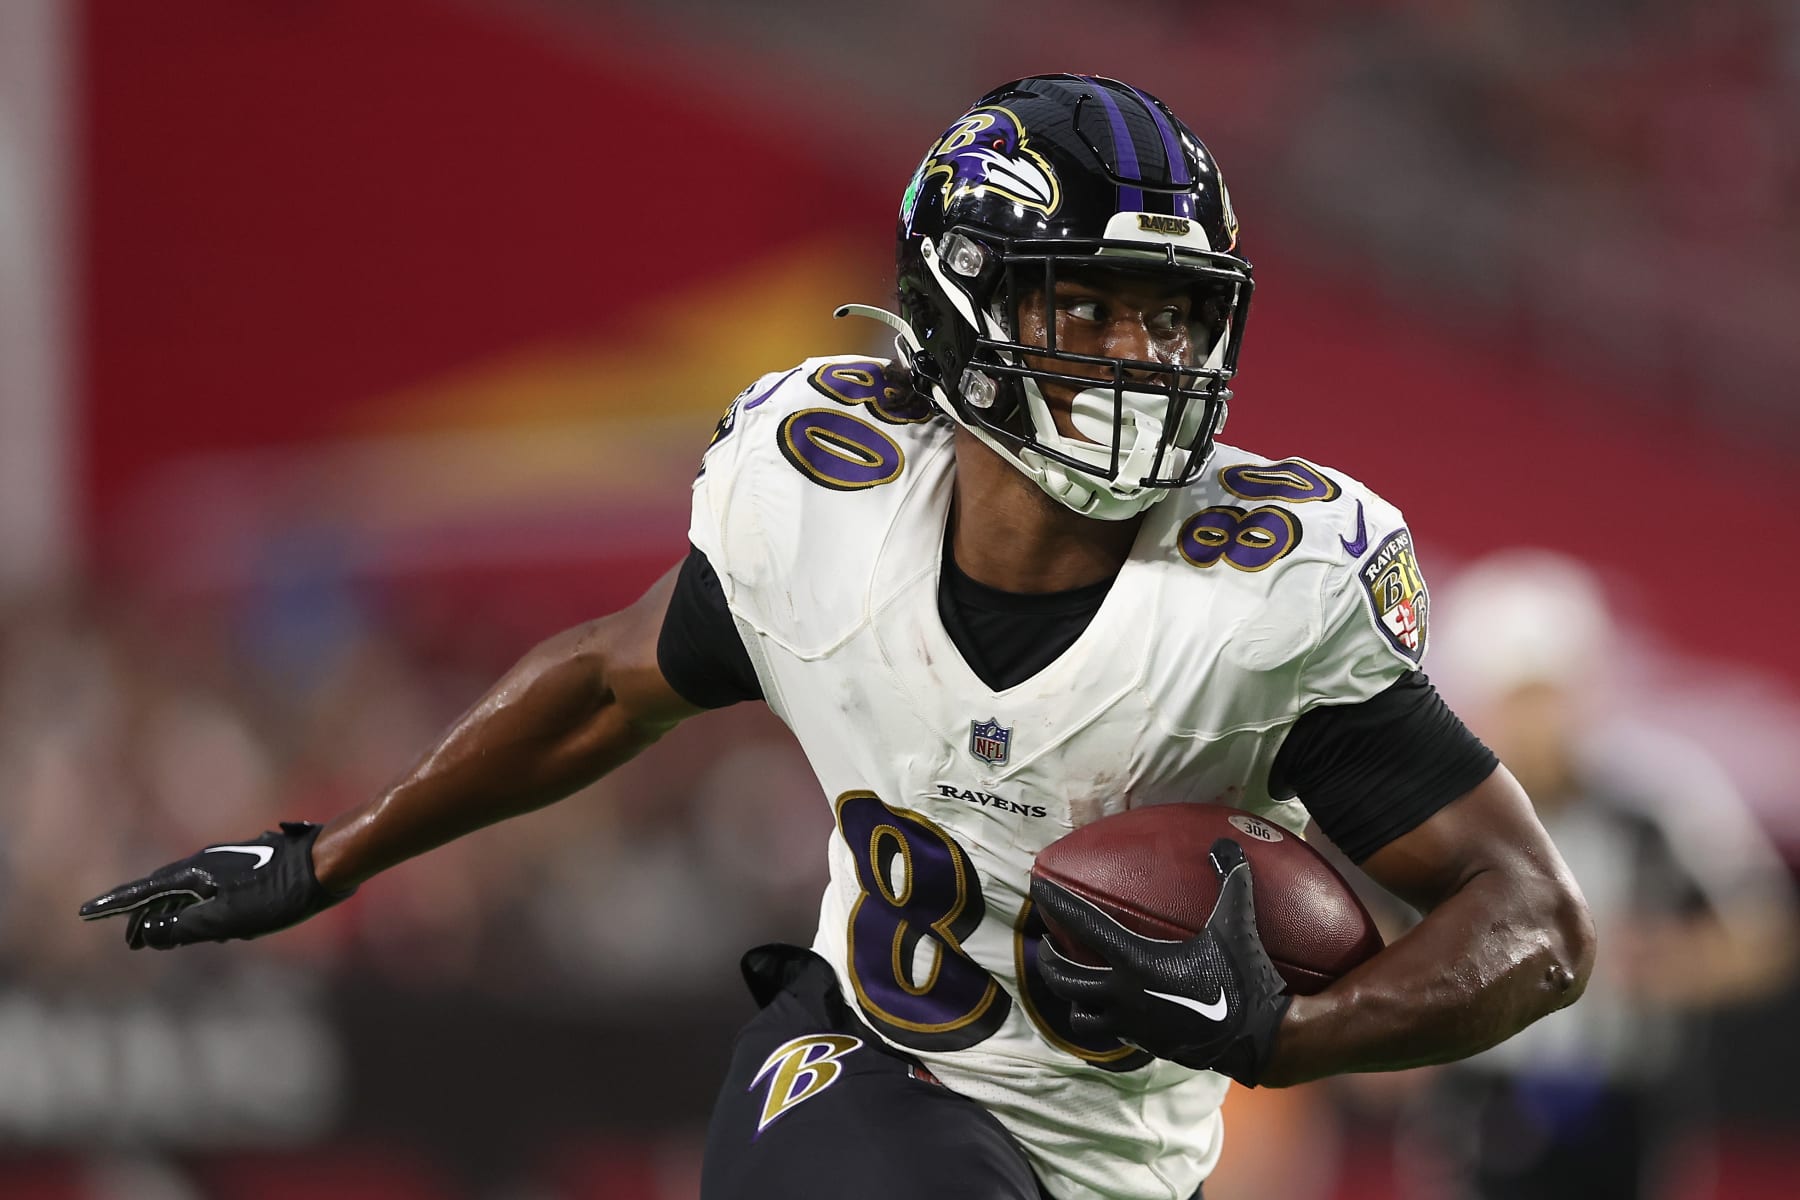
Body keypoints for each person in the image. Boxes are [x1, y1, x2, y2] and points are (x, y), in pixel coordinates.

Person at [78, 75, 1595, 1200]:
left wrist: (1291, 1032)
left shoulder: (1261, 603)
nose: (1149, 356)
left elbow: (1533, 919)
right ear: (962, 301)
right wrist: (333, 857)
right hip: (865, 1068)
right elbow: (607, 687)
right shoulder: (826, 505)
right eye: (1096, 308)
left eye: (1176, 316)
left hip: (1122, 1167)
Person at [1393, 550, 1798, 1200]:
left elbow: (1764, 936)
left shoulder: (1660, 797)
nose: (1534, 724)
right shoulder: (1433, 809)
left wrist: (1671, 962)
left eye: (1546, 697)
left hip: (1625, 1096)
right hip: (1481, 1096)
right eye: (1515, 699)